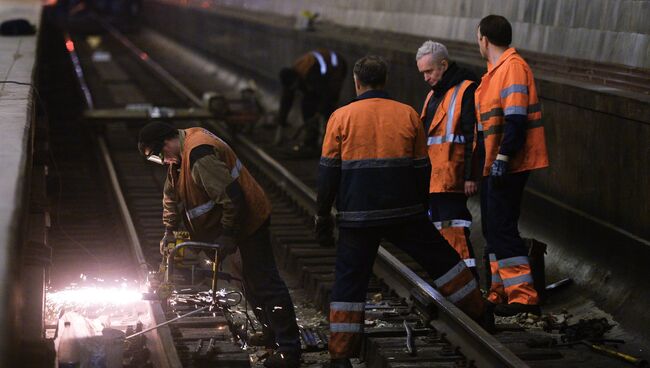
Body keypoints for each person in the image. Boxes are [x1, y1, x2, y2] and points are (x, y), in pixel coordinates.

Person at [315, 56, 487, 368]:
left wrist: (322, 215)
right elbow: (423, 168)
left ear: (357, 82)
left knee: (349, 284)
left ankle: (340, 356)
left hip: (357, 218)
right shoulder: (407, 114)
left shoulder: (340, 117)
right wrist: (420, 207)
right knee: (443, 261)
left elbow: (328, 173)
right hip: (406, 210)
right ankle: (480, 313)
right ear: (384, 81)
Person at [137, 122, 301, 368]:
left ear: (167, 142)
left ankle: (289, 350)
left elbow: (233, 198)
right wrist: (169, 230)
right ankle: (271, 333)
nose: (163, 162)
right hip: (236, 222)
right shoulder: (179, 156)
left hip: (249, 221)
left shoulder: (199, 155)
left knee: (265, 283)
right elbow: (171, 195)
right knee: (249, 282)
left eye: (160, 156)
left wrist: (227, 234)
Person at [475, 15, 549, 316]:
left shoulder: (513, 69)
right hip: (497, 162)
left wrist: (503, 159)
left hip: (510, 163)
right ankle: (499, 290)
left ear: (484, 39)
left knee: (502, 226)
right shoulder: (496, 72)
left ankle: (523, 296)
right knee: (493, 227)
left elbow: (516, 119)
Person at [415, 40, 481, 279]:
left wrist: (470, 177)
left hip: (452, 178)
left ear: (443, 65)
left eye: (429, 71)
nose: (426, 77)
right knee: (442, 232)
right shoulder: (434, 94)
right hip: (435, 178)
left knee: (454, 231)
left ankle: (468, 284)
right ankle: (452, 285)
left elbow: (472, 136)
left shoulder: (466, 90)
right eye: (422, 73)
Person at [276, 48, 347, 156]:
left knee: (329, 110)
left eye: (295, 86)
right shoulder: (292, 76)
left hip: (336, 69)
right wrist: (280, 125)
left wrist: (320, 112)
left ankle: (333, 146)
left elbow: (326, 94)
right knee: (307, 105)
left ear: (297, 79)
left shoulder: (311, 73)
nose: (295, 90)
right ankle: (311, 142)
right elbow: (287, 100)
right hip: (319, 76)